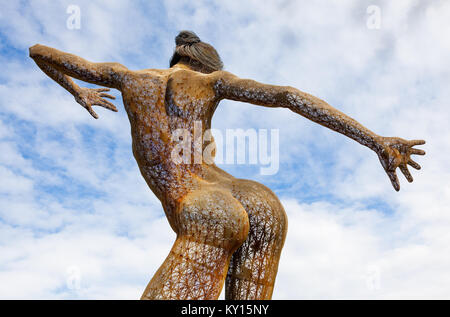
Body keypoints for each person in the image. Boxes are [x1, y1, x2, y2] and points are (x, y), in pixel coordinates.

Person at [29, 30, 425, 300]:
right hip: (255, 197)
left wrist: (78, 92)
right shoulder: (214, 82)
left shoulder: (125, 77)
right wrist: (374, 140)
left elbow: (38, 51)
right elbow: (289, 96)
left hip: (202, 205)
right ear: (207, 64)